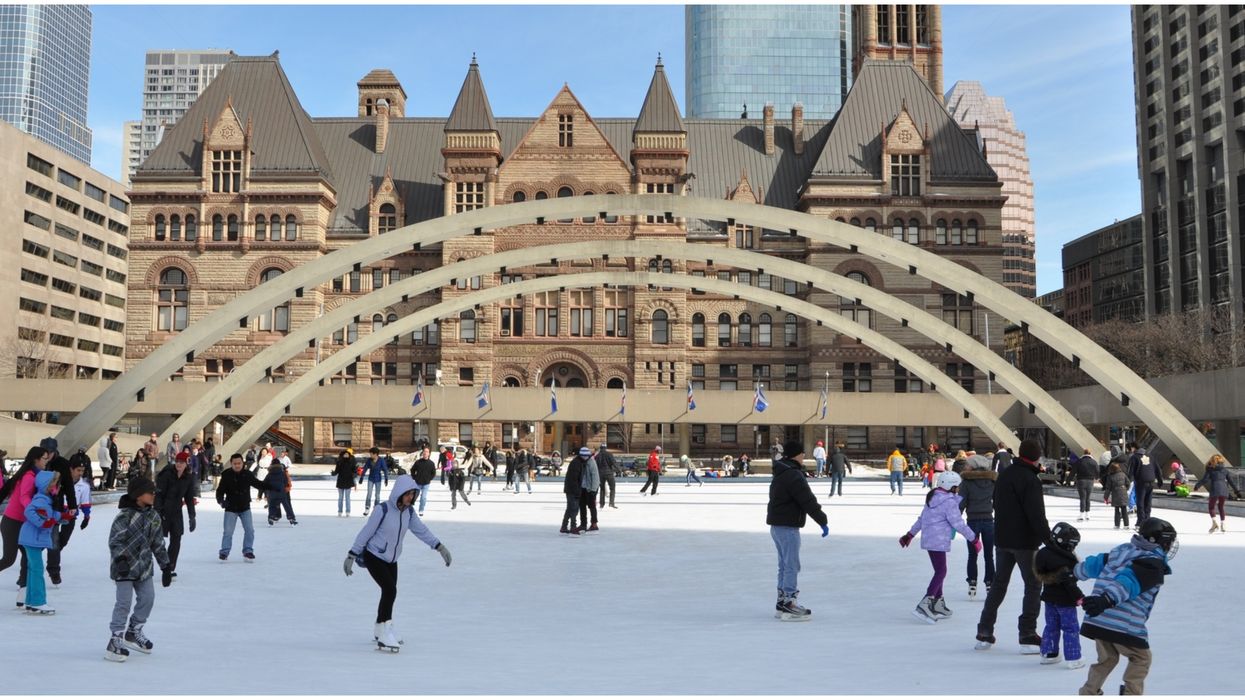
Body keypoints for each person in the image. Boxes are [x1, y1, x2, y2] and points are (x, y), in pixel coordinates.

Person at [343, 474, 452, 652]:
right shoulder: (383, 510)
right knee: (390, 590)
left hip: (391, 559)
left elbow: (422, 531)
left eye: (413, 494)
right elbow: (366, 532)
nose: (410, 497)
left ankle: (381, 628)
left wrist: (439, 547)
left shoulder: (409, 512)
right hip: (374, 555)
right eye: (407, 494)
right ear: (399, 493)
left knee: (389, 592)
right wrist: (352, 555)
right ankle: (385, 632)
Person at [1074, 518, 1177, 696]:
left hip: (1099, 619)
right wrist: (1106, 600)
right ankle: (1131, 694)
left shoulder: (1121, 552)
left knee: (1107, 659)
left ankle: (1088, 692)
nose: (1169, 547)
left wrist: (1073, 571)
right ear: (1159, 542)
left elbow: (1094, 564)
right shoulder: (1152, 564)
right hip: (1122, 623)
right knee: (1141, 658)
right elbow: (1127, 583)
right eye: (1168, 542)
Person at [975, 438, 1050, 654]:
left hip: (1003, 539)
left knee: (999, 584)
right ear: (1036, 457)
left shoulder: (1005, 474)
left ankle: (984, 630)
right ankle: (1027, 633)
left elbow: (996, 504)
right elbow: (1036, 515)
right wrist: (1050, 541)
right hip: (1025, 542)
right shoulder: (1031, 479)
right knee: (1033, 585)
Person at [104, 477, 173, 661]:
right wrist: (121, 560)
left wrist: (166, 566)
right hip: (124, 568)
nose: (154, 495)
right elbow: (115, 541)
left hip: (144, 567)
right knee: (124, 603)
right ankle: (115, 639)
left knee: (148, 598)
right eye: (150, 492)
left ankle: (134, 631)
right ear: (138, 494)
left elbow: (158, 543)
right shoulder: (124, 516)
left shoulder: (153, 516)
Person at [900, 471, 979, 623]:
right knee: (941, 571)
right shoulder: (949, 502)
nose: (959, 489)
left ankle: (937, 603)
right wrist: (974, 539)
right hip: (938, 540)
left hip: (930, 540)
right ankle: (926, 602)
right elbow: (958, 524)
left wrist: (909, 535)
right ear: (951, 486)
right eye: (957, 486)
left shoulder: (933, 497)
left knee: (939, 570)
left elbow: (921, 519)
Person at [767, 441, 828, 620]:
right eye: (802, 453)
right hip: (787, 527)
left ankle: (782, 602)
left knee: (784, 565)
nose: (804, 456)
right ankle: (789, 603)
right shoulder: (793, 474)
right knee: (791, 565)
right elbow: (807, 500)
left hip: (777, 526)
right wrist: (822, 520)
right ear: (797, 454)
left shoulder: (781, 471)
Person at [1, 446, 51, 607]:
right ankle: (24, 590)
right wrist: (35, 511)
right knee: (9, 559)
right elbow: (24, 497)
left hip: (23, 522)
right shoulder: (29, 476)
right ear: (36, 459)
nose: (46, 461)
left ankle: (23, 591)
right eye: (44, 458)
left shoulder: (36, 475)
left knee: (28, 556)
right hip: (12, 522)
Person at [1033, 522, 1085, 669]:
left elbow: (1040, 571)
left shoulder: (1043, 553)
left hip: (1049, 599)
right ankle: (1073, 658)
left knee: (1051, 626)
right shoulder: (1067, 560)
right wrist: (1080, 598)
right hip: (1066, 602)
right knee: (1070, 628)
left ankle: (1049, 654)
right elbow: (1069, 584)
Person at [18, 469, 66, 614]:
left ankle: (31, 601)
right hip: (32, 538)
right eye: (54, 483)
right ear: (47, 485)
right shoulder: (41, 499)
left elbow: (48, 514)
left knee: (33, 569)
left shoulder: (45, 499)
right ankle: (38, 602)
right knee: (37, 569)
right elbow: (29, 511)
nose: (56, 487)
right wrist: (42, 523)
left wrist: (62, 516)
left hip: (32, 538)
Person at [215, 453, 268, 561]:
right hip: (231, 507)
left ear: (242, 463)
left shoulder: (247, 474)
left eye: (239, 463)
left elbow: (258, 484)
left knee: (250, 530)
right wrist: (221, 501)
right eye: (235, 464)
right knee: (228, 532)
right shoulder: (226, 475)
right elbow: (220, 491)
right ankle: (224, 552)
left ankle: (248, 551)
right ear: (231, 464)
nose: (237, 465)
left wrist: (271, 485)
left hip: (245, 507)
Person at [154, 451, 196, 581]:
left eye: (182, 462)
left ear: (186, 463)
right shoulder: (167, 474)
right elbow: (159, 495)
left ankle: (169, 568)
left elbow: (189, 498)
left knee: (176, 540)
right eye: (177, 461)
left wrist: (192, 516)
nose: (179, 464)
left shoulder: (188, 478)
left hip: (176, 512)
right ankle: (140, 564)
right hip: (163, 511)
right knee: (155, 541)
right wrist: (158, 512)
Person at [960, 456, 997, 599]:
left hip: (972, 521)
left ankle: (972, 581)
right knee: (989, 555)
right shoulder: (992, 481)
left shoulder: (966, 483)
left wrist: (954, 519)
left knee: (972, 554)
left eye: (968, 464)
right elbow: (998, 501)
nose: (966, 466)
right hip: (988, 521)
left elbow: (961, 504)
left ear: (974, 466)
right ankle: (990, 582)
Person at [1194, 454, 1241, 533]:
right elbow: (1231, 481)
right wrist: (1237, 491)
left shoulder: (1210, 469)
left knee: (1211, 507)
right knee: (1221, 507)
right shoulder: (1225, 470)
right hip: (1224, 490)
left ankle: (1214, 523)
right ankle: (1223, 524)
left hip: (1215, 489)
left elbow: (1205, 479)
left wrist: (1197, 486)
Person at [1126, 443, 1161, 528]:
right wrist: (1160, 480)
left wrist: (1127, 482)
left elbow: (1130, 471)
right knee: (1148, 502)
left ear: (1133, 448)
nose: (1130, 451)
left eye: (1130, 449)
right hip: (1151, 482)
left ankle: (1140, 522)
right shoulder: (1150, 456)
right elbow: (1157, 468)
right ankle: (1147, 520)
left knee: (1140, 502)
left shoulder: (1134, 457)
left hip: (1141, 482)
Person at [560, 447, 587, 535]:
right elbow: (574, 479)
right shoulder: (576, 463)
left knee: (570, 508)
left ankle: (564, 526)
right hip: (572, 489)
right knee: (574, 509)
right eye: (586, 456)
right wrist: (577, 491)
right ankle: (573, 527)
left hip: (571, 489)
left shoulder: (579, 462)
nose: (587, 457)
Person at [264, 456, 297, 526]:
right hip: (281, 492)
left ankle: (271, 517)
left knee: (272, 506)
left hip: (272, 493)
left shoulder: (269, 474)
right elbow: (286, 482)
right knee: (286, 505)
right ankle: (291, 518)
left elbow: (265, 483)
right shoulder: (282, 473)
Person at [359, 447, 389, 517]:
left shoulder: (381, 460)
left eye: (371, 454)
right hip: (371, 479)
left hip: (378, 479)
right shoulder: (369, 460)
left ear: (375, 454)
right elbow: (365, 468)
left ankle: (376, 508)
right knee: (369, 493)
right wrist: (362, 477)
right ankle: (367, 507)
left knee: (377, 495)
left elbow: (385, 469)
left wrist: (386, 479)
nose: (370, 455)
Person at [577, 447, 601, 532]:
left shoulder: (591, 462)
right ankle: (583, 524)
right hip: (582, 488)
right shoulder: (580, 462)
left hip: (590, 488)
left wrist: (593, 490)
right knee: (582, 506)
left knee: (592, 506)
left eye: (586, 456)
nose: (584, 457)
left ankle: (594, 524)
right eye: (582, 456)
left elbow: (595, 477)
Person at [1073, 449, 1099, 522]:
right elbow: (1097, 471)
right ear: (1090, 453)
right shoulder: (1094, 462)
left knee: (1082, 498)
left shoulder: (1079, 461)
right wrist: (1096, 477)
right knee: (1088, 498)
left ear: (1084, 453)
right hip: (1090, 481)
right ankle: (1087, 514)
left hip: (1081, 481)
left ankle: (1081, 515)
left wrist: (1068, 480)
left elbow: (1073, 471)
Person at [411, 448, 435, 515]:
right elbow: (412, 470)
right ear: (422, 453)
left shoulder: (431, 463)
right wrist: (414, 477)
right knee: (413, 497)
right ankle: (409, 509)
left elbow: (433, 473)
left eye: (427, 452)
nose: (425, 453)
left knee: (423, 497)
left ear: (429, 454)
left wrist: (429, 479)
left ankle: (421, 510)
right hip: (418, 483)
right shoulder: (418, 462)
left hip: (426, 484)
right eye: (424, 451)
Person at [332, 450, 357, 517]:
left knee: (347, 497)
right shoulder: (339, 462)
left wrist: (355, 474)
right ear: (342, 455)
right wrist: (333, 473)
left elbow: (354, 470)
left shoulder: (351, 462)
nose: (346, 455)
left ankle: (348, 511)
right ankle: (340, 511)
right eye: (345, 454)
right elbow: (337, 471)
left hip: (348, 481)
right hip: (341, 481)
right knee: (340, 497)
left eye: (347, 454)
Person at [1107, 463, 1131, 531]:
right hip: (1123, 493)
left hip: (1115, 494)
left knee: (1117, 510)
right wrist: (1125, 489)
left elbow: (1108, 488)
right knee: (1124, 510)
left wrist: (1106, 496)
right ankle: (1126, 525)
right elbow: (1128, 483)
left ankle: (1117, 525)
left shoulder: (1110, 476)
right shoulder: (1123, 474)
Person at [596, 443, 618, 509]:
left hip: (600, 474)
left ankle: (601, 504)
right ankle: (611, 503)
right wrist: (619, 470)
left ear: (600, 448)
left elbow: (595, 465)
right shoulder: (609, 454)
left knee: (602, 488)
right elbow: (614, 463)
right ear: (605, 448)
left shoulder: (597, 456)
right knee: (612, 488)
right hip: (609, 473)